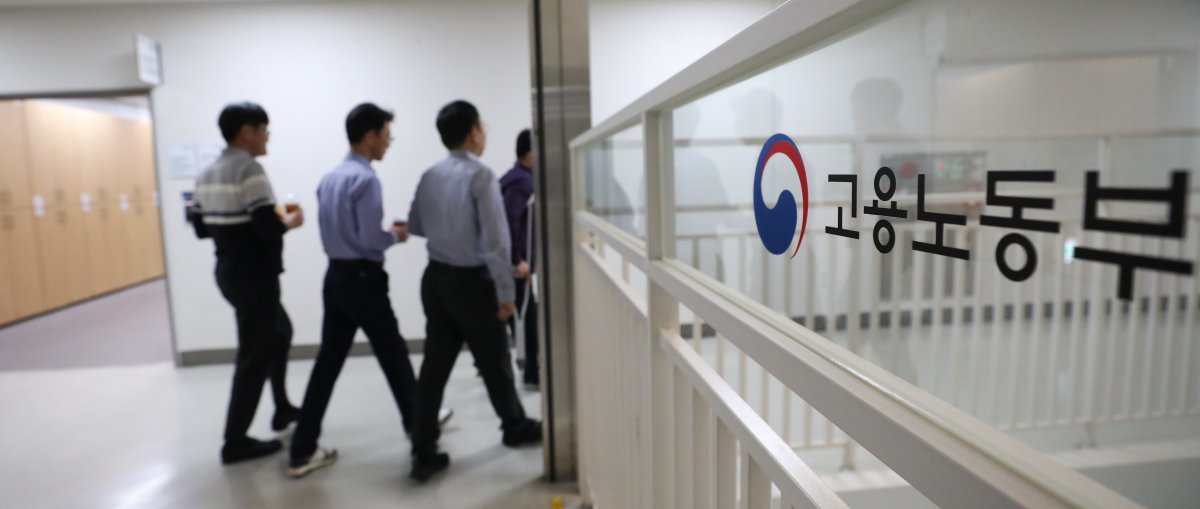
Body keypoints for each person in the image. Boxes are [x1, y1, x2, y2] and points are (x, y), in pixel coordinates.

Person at [287, 103, 451, 479]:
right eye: (386, 136)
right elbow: (369, 238)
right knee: (394, 355)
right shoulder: (366, 180)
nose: (389, 143)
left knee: (327, 364)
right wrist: (396, 235)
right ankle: (421, 438)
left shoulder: (329, 178)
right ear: (369, 136)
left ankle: (302, 450)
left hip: (336, 277)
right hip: (364, 279)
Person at [408, 100, 542, 482]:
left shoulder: (430, 175)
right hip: (470, 281)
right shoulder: (480, 176)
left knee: (434, 365)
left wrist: (446, 230)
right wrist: (506, 293)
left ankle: (423, 447)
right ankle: (514, 425)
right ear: (473, 133)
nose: (484, 134)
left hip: (435, 279)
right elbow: (497, 241)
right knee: (495, 357)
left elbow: (416, 224)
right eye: (482, 127)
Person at [188, 102, 303, 464]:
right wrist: (290, 221)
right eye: (264, 129)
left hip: (229, 271)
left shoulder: (207, 173)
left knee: (280, 332)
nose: (268, 136)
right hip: (255, 275)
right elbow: (268, 228)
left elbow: (200, 227)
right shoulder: (249, 169)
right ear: (246, 132)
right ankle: (235, 441)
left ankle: (282, 407)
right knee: (254, 354)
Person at [499, 128, 539, 388]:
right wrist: (518, 260)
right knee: (526, 318)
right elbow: (510, 222)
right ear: (529, 154)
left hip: (513, 263)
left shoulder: (516, 178)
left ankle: (530, 370)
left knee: (522, 317)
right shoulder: (521, 184)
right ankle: (532, 373)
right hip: (515, 265)